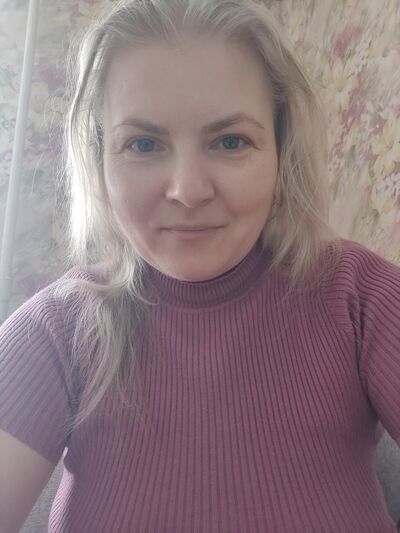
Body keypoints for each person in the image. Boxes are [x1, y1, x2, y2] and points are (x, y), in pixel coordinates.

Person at [0, 0, 399, 531]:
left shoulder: (362, 298)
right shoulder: (55, 331)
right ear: (99, 160)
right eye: (143, 144)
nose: (187, 191)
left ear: (281, 152)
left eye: (230, 141)